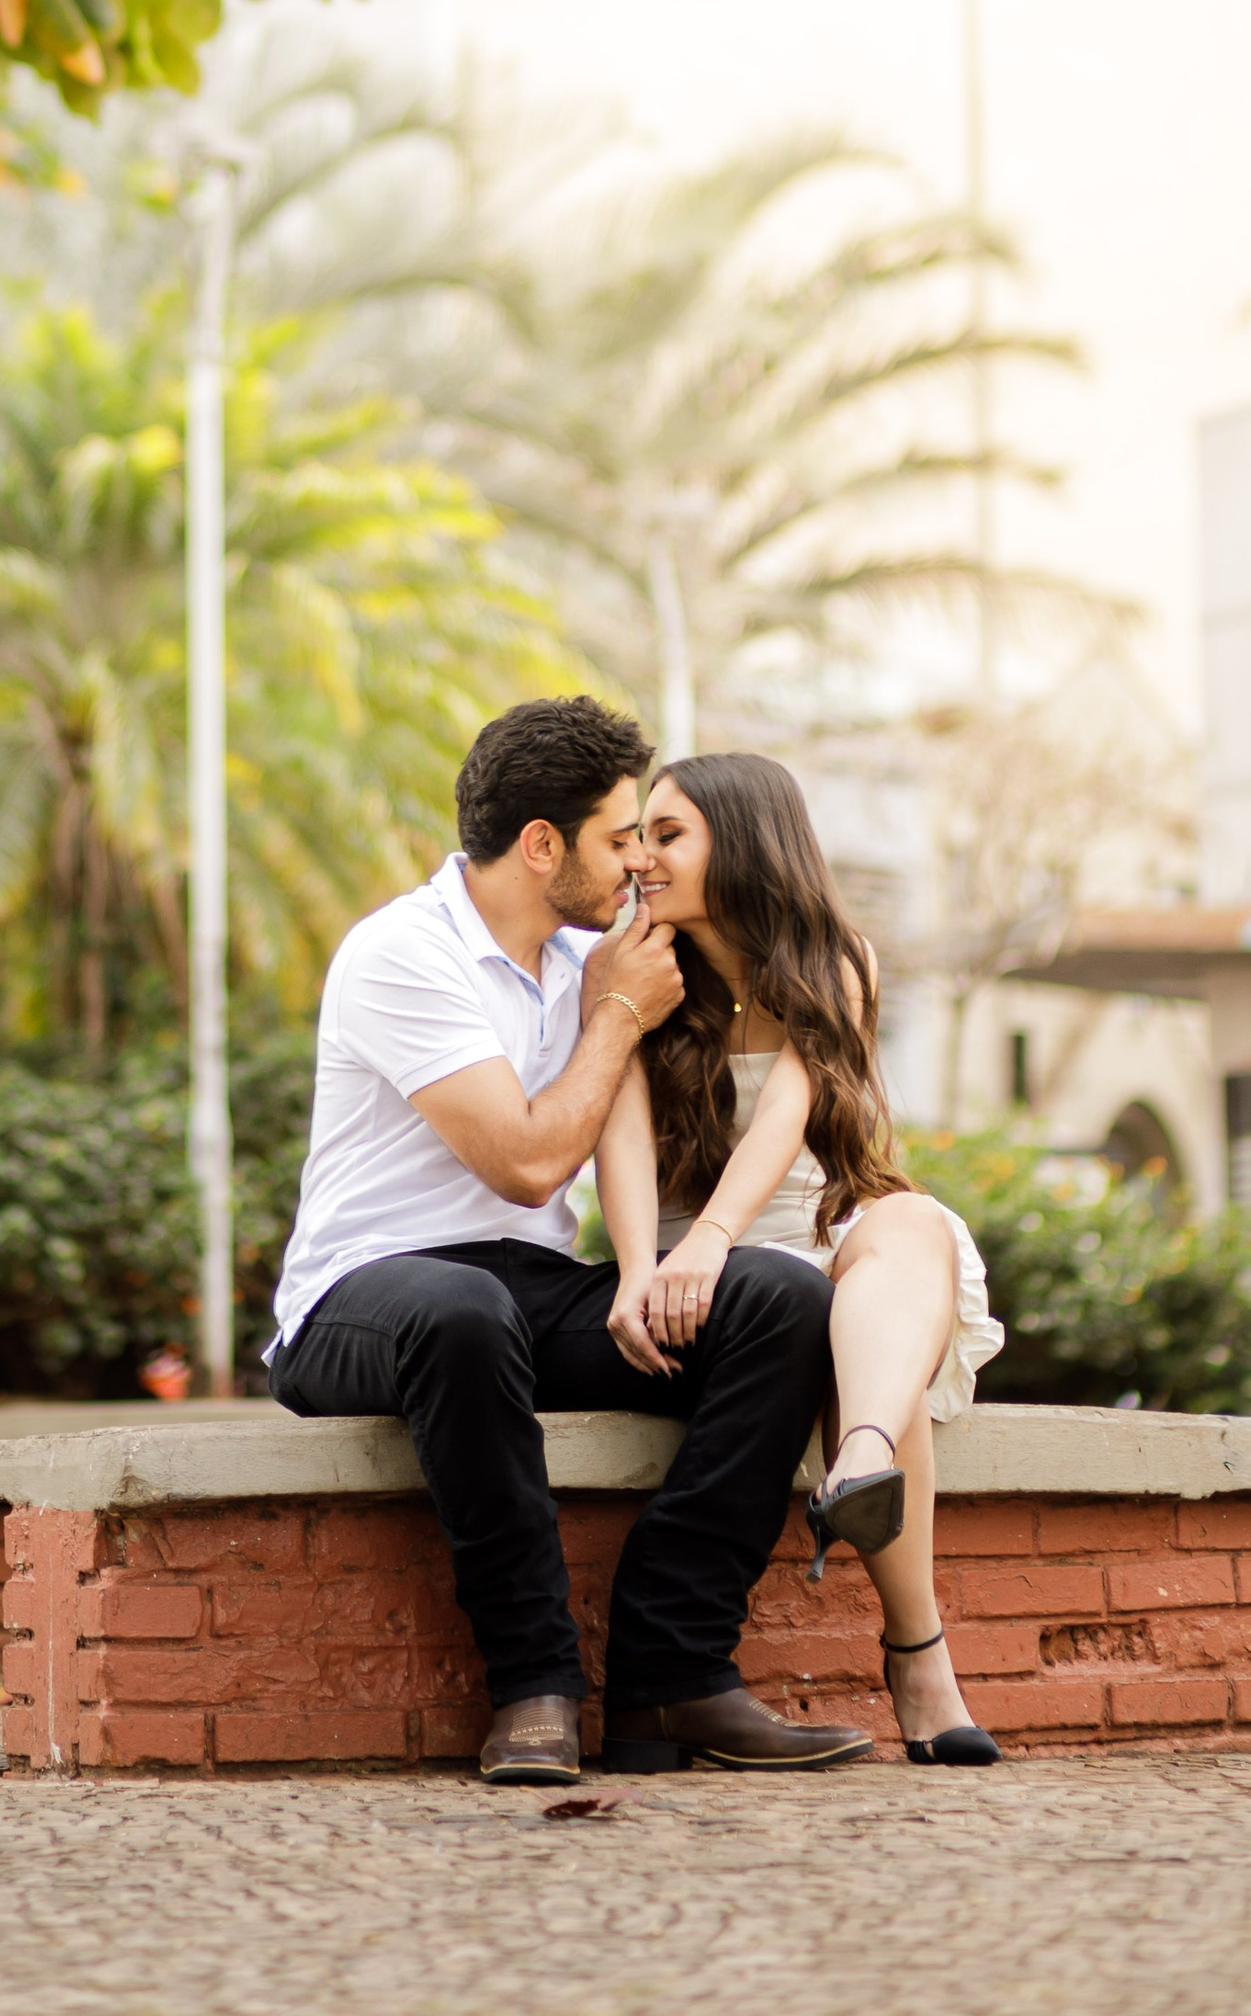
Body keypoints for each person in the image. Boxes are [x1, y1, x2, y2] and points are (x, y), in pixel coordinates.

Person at [266, 694, 869, 1783]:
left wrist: (650, 1270)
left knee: (778, 1298)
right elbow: (529, 1161)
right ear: (542, 844)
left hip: (522, 1296)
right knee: (461, 1306)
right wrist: (612, 1019)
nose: (638, 856)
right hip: (362, 1300)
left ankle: (672, 1666)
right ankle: (534, 1681)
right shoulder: (403, 952)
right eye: (618, 833)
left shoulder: (591, 956)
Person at [596, 751, 1005, 1765]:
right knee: (877, 1367)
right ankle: (920, 1659)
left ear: (738, 840)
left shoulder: (836, 958)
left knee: (908, 1220)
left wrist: (712, 1232)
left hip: (811, 1231)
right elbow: (617, 1123)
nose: (641, 855)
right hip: (718, 1274)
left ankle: (858, 1457)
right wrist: (637, 1264)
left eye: (667, 832)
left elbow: (787, 1115)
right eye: (638, 833)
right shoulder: (635, 965)